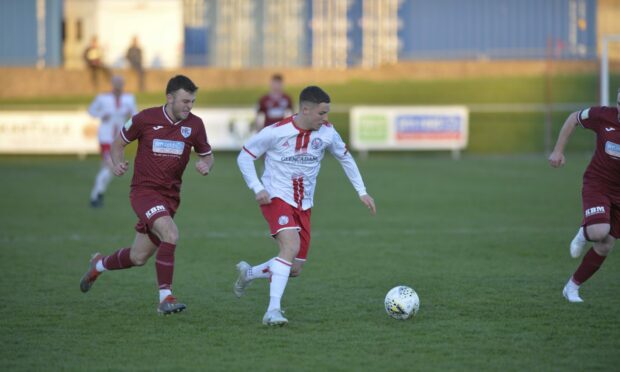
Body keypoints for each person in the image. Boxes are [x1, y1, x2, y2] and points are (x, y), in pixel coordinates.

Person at [234, 86, 376, 325]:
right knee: (289, 247)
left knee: (294, 268)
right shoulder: (276, 132)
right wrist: (257, 187)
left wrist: (362, 191)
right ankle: (273, 311)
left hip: (304, 204)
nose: (326, 118)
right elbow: (244, 156)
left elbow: (345, 158)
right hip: (276, 197)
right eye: (322, 113)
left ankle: (250, 273)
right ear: (306, 110)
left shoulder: (328, 133)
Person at [79, 75, 214, 315]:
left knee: (138, 257)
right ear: (169, 98)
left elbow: (207, 154)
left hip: (170, 198)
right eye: (185, 101)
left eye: (192, 102)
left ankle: (98, 265)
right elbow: (118, 143)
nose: (189, 106)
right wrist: (117, 164)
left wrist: (206, 164)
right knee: (170, 233)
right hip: (144, 193)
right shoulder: (145, 119)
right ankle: (166, 298)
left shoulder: (195, 125)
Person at [549, 88, 620, 303]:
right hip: (597, 184)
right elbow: (573, 118)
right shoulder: (603, 115)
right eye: (619, 103)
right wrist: (558, 151)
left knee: (605, 244)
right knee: (599, 231)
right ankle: (584, 232)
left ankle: (572, 287)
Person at [87, 75, 138, 207]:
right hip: (105, 138)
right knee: (111, 165)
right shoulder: (103, 98)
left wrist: (129, 116)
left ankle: (97, 196)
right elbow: (91, 110)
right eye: (116, 84)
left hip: (119, 140)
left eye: (120, 84)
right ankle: (96, 195)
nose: (118, 86)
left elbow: (135, 116)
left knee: (109, 168)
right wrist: (101, 115)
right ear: (112, 85)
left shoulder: (129, 98)